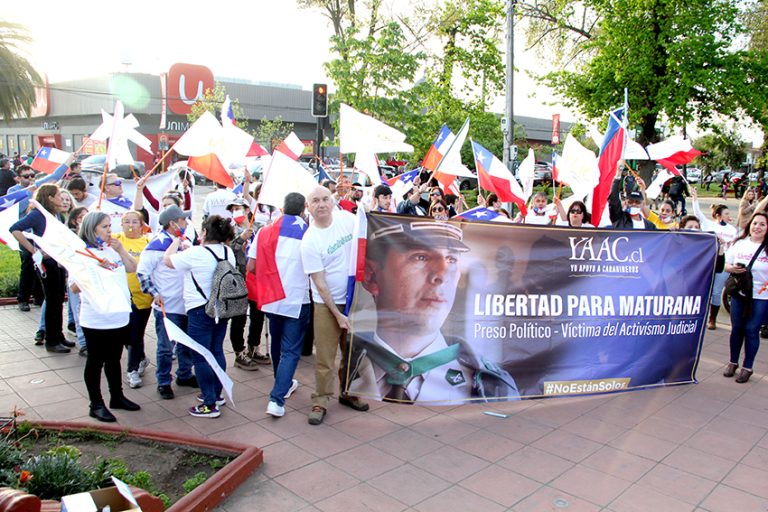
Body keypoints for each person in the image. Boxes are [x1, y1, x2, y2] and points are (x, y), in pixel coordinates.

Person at [347, 219, 519, 404]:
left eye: (451, 259)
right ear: (371, 276)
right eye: (420, 257)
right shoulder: (344, 364)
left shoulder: (493, 385)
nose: (443, 274)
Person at [300, 186, 369, 425]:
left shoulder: (347, 220)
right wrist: (338, 315)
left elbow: (366, 237)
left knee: (353, 352)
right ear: (308, 207)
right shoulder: (309, 241)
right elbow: (319, 283)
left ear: (332, 201)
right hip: (326, 306)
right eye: (315, 201)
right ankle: (320, 400)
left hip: (354, 300)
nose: (321, 205)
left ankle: (348, 392)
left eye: (325, 199)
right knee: (325, 357)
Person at [164, 215, 236, 418]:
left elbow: (168, 261)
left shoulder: (196, 253)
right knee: (216, 350)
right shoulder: (227, 251)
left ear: (205, 232)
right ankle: (217, 394)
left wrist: (176, 241)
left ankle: (209, 403)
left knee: (201, 355)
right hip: (222, 309)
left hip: (199, 310)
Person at [72, 211, 141, 422]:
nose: (110, 230)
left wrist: (121, 250)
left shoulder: (111, 250)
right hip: (96, 318)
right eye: (104, 226)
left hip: (118, 315)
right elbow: (74, 287)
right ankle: (96, 404)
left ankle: (117, 396)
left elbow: (132, 268)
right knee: (96, 360)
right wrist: (95, 267)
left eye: (110, 226)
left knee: (114, 358)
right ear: (91, 229)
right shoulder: (82, 253)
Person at [249, 192, 310, 417]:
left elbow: (251, 266)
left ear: (282, 208)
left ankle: (281, 382)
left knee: (277, 343)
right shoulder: (308, 233)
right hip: (297, 299)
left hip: (271, 297)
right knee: (291, 350)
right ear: (303, 209)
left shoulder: (264, 231)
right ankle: (276, 398)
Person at [136, 205, 198, 400]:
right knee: (165, 348)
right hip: (168, 306)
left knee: (186, 344)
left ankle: (184, 374)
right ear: (173, 223)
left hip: (187, 304)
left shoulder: (184, 241)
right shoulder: (156, 245)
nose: (186, 222)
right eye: (183, 220)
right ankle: (163, 381)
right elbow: (142, 273)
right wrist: (154, 293)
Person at [10, 184, 72, 353]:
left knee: (58, 299)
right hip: (47, 263)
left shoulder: (56, 214)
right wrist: (33, 250)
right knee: (52, 300)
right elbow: (15, 229)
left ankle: (58, 335)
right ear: (50, 198)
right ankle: (51, 341)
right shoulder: (38, 214)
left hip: (58, 260)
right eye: (58, 196)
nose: (61, 199)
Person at [723, 212, 768, 384]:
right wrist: (732, 268)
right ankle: (733, 362)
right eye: (755, 223)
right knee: (737, 329)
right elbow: (725, 264)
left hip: (760, 296)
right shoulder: (740, 244)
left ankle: (747, 367)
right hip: (739, 294)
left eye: (762, 224)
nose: (757, 227)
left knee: (751, 330)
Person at [226, 198, 270, 370]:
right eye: (233, 209)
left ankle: (254, 347)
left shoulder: (259, 227)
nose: (236, 212)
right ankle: (239, 352)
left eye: (239, 208)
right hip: (239, 279)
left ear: (246, 209)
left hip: (256, 277)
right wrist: (240, 239)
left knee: (258, 315)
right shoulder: (229, 229)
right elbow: (226, 250)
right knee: (239, 317)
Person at [115, 211, 152, 389]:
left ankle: (133, 370)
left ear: (142, 225)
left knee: (135, 334)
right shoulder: (116, 240)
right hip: (121, 296)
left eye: (135, 222)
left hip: (142, 296)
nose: (130, 225)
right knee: (125, 335)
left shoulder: (148, 242)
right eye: (126, 221)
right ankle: (141, 358)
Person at [692, 188, 738, 329]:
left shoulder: (732, 230)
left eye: (729, 213)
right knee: (702, 290)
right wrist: (694, 198)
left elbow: (734, 247)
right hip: (707, 262)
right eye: (726, 213)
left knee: (716, 292)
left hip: (723, 264)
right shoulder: (709, 225)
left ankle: (712, 319)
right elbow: (698, 213)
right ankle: (699, 316)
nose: (729, 216)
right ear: (718, 215)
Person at [66, 207, 89, 355]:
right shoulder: (71, 237)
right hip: (77, 277)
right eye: (82, 217)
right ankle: (83, 342)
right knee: (78, 308)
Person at [608, 165, 656, 230]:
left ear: (642, 204)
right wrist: (618, 173)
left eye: (637, 202)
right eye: (630, 201)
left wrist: (643, 188)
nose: (634, 204)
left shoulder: (650, 226)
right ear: (626, 202)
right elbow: (613, 199)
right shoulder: (619, 218)